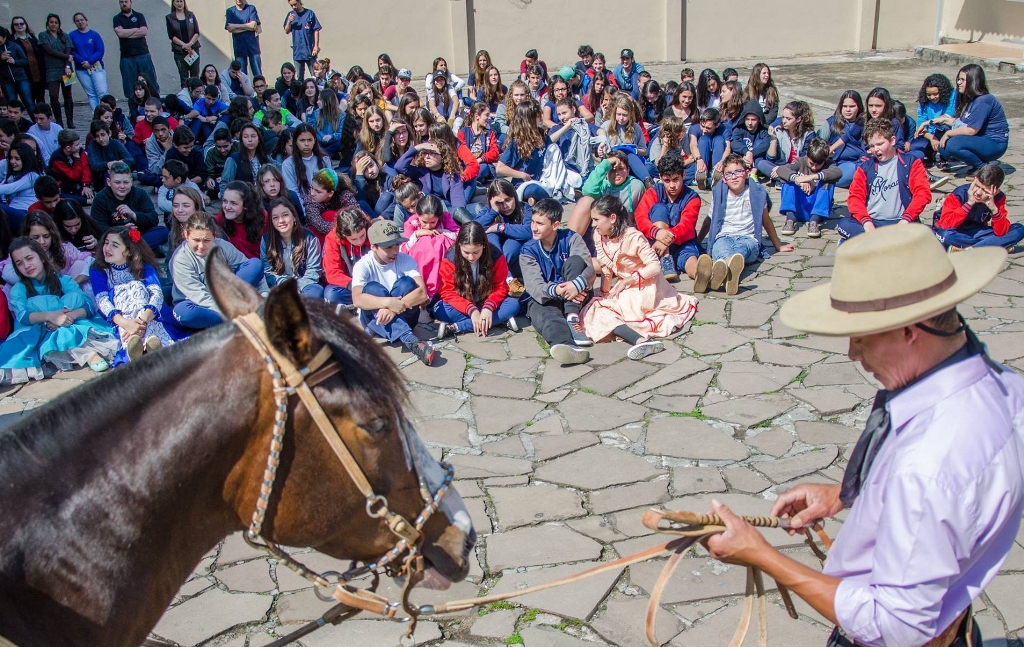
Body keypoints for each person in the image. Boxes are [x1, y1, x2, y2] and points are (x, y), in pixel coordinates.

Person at [708, 223, 1024, 647]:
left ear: (910, 331)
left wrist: (762, 555)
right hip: (956, 625)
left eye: (860, 338)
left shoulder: (926, 466)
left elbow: (894, 625)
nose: (853, 353)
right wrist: (851, 492)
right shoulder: (1005, 389)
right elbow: (959, 500)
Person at [582, 195, 696, 359]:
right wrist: (604, 292)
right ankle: (640, 341)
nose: (593, 224)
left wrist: (629, 280)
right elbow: (606, 267)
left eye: (596, 220)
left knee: (613, 311)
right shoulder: (599, 236)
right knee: (597, 307)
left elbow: (655, 266)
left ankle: (640, 340)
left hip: (646, 285)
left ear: (612, 218)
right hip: (624, 285)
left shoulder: (633, 237)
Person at [0, 237, 116, 382]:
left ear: (41, 257)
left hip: (66, 322)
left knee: (72, 305)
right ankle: (88, 354)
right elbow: (22, 315)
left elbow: (88, 305)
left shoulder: (62, 280)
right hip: (37, 329)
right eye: (19, 263)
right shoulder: (19, 289)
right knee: (40, 310)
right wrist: (50, 316)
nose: (26, 265)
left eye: (29, 258)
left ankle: (89, 353)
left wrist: (68, 317)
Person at [695, 154, 794, 295]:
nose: (734, 177)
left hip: (748, 238)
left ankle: (717, 273)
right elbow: (709, 219)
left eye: (738, 172)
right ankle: (729, 276)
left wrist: (778, 245)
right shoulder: (719, 194)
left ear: (747, 174)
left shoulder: (757, 193)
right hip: (724, 236)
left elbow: (766, 220)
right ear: (723, 178)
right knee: (720, 249)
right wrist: (698, 241)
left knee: (740, 251)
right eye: (729, 174)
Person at [350, 219, 436, 366]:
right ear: (374, 247)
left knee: (406, 283)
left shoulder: (406, 260)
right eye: (388, 247)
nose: (395, 251)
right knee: (372, 288)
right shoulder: (363, 265)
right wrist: (387, 303)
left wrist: (394, 308)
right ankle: (410, 340)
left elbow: (422, 293)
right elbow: (357, 299)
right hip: (372, 315)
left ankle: (372, 331)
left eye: (397, 244)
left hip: (404, 314)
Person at [520, 198, 594, 365]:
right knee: (547, 316)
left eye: (539, 223)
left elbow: (589, 269)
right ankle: (567, 346)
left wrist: (577, 284)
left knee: (576, 261)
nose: (533, 227)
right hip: (547, 297)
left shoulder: (571, 238)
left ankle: (572, 317)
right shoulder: (528, 250)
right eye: (532, 222)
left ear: (555, 225)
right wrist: (556, 290)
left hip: (576, 295)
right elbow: (534, 286)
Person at [90, 226, 175, 363]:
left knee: (137, 288)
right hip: (121, 317)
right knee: (122, 292)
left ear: (128, 251)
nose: (107, 248)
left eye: (115, 245)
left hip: (148, 316)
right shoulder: (98, 270)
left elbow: (156, 293)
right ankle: (135, 345)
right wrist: (125, 323)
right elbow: (102, 300)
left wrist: (141, 322)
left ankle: (150, 343)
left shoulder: (144, 267)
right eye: (106, 243)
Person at [838, 118, 932, 241]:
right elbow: (855, 198)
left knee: (926, 236)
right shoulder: (865, 168)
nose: (876, 149)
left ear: (893, 140)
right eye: (871, 146)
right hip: (873, 222)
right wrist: (867, 223)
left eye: (880, 144)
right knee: (843, 224)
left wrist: (906, 220)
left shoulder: (911, 163)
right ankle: (881, 243)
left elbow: (923, 194)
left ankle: (877, 244)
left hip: (901, 221)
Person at [170, 211, 264, 329]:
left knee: (255, 264)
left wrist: (264, 294)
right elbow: (198, 296)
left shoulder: (222, 246)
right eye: (196, 240)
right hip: (199, 303)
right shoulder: (179, 259)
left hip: (228, 295)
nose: (201, 246)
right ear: (186, 235)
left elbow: (248, 268)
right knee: (185, 314)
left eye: (207, 240)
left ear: (214, 236)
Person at [434, 221, 519, 339]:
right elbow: (447, 292)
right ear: (459, 245)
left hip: (486, 301)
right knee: (440, 310)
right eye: (466, 252)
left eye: (476, 252)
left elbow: (501, 286)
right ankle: (495, 321)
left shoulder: (495, 255)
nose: (471, 257)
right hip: (463, 304)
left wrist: (489, 307)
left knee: (513, 305)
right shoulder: (450, 257)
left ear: (483, 245)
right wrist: (472, 310)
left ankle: (457, 327)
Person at [633, 153, 701, 283]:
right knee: (659, 208)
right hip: (655, 243)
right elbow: (640, 216)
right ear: (660, 178)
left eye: (676, 179)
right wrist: (657, 233)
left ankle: (702, 276)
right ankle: (665, 259)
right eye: (667, 181)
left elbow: (686, 226)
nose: (672, 185)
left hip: (682, 242)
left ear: (684, 175)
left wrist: (665, 240)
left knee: (690, 260)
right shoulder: (653, 192)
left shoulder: (693, 198)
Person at [930, 64, 1009, 175]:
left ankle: (982, 168)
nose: (958, 82)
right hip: (980, 138)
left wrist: (948, 133)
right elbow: (963, 123)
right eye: (958, 79)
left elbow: (971, 130)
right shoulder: (971, 99)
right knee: (944, 148)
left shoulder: (984, 100)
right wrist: (942, 121)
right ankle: (977, 163)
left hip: (995, 143)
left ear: (973, 81)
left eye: (962, 80)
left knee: (953, 144)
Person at [932, 163, 1023, 251]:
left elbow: (1001, 232)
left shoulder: (998, 198)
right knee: (946, 236)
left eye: (984, 190)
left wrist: (994, 209)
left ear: (996, 191)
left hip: (976, 231)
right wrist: (969, 203)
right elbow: (946, 225)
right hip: (955, 232)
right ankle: (992, 245)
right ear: (975, 179)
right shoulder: (959, 194)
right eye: (977, 186)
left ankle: (971, 249)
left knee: (1019, 229)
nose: (978, 192)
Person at [91, 162, 169, 251]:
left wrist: (134, 214)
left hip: (139, 235)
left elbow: (154, 219)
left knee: (163, 232)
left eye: (126, 182)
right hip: (115, 237)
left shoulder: (140, 193)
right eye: (117, 182)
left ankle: (131, 250)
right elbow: (98, 227)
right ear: (109, 182)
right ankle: (141, 250)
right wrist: (122, 231)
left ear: (131, 181)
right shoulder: (101, 198)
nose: (122, 186)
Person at [776, 138, 842, 239]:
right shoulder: (800, 161)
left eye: (818, 164)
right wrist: (798, 179)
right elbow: (782, 170)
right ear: (807, 156)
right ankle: (790, 219)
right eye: (812, 163)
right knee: (787, 180)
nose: (814, 167)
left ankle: (814, 222)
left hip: (816, 209)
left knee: (828, 182)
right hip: (798, 208)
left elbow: (838, 173)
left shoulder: (829, 165)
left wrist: (812, 177)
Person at [260, 197, 323, 298]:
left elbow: (314, 270)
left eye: (285, 215)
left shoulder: (309, 238)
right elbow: (267, 271)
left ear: (294, 217)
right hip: (279, 286)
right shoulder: (266, 240)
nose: (281, 220)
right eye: (275, 217)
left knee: (315, 292)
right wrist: (286, 286)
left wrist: (297, 286)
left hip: (305, 285)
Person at [400, 194, 458, 299]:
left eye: (433, 222)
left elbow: (458, 235)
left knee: (440, 240)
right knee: (426, 240)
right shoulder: (411, 223)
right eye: (424, 222)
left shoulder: (445, 217)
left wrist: (442, 231)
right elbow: (404, 248)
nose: (428, 226)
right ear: (418, 215)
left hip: (442, 257)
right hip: (422, 260)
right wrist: (417, 234)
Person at [756, 101, 815, 188]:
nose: (784, 121)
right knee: (761, 163)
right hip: (781, 166)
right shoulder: (779, 130)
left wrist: (783, 170)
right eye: (783, 117)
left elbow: (805, 159)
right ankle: (788, 179)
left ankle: (784, 178)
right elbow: (771, 158)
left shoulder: (808, 135)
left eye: (788, 118)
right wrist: (774, 139)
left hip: (799, 169)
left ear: (798, 119)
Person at [322, 207, 371, 307]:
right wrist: (355, 286)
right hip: (350, 286)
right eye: (353, 239)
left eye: (362, 236)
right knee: (331, 294)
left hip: (373, 283)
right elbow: (332, 272)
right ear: (343, 235)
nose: (359, 242)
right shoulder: (332, 238)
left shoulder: (373, 231)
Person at [113, 0, 160, 101]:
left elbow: (144, 31)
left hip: (143, 54)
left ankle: (155, 106)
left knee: (150, 82)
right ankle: (134, 110)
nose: (124, 4)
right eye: (121, 2)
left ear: (131, 2)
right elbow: (120, 34)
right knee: (130, 86)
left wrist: (126, 32)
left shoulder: (139, 16)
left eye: (126, 1)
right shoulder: (117, 18)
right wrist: (135, 29)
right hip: (127, 57)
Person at [820, 90, 866, 189]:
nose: (848, 110)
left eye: (852, 106)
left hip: (855, 163)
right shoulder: (831, 122)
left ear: (859, 107)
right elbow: (817, 143)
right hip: (832, 163)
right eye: (845, 106)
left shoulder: (863, 125)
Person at [36, 14, 75, 129]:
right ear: (48, 24)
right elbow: (50, 51)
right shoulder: (43, 35)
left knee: (68, 95)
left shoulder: (65, 36)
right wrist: (66, 57)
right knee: (53, 95)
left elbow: (69, 51)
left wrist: (67, 65)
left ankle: (70, 120)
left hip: (66, 68)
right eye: (51, 22)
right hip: (51, 69)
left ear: (59, 24)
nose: (53, 24)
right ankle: (59, 120)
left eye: (56, 22)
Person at [911, 73, 956, 165]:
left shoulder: (952, 96)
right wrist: (932, 138)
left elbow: (947, 116)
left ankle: (945, 155)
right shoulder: (923, 101)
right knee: (915, 147)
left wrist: (927, 123)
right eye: (929, 95)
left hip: (945, 131)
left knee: (944, 126)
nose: (932, 97)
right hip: (929, 135)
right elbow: (921, 125)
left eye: (935, 94)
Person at [66, 14, 107, 112]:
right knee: (91, 94)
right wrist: (81, 61)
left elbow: (100, 50)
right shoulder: (72, 35)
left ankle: (106, 114)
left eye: (82, 19)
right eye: (77, 21)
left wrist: (91, 61)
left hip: (96, 67)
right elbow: (71, 51)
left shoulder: (94, 35)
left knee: (102, 93)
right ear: (75, 23)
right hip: (81, 69)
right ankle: (96, 115)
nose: (80, 22)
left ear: (86, 20)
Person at [216, 180, 266, 259]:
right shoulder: (219, 219)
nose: (227, 207)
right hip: (230, 267)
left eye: (233, 203)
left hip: (257, 265)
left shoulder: (262, 217)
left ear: (245, 205)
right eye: (225, 201)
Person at [282, 123, 330, 203]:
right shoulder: (288, 164)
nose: (306, 144)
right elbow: (293, 193)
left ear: (314, 140)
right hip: (302, 206)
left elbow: (329, 187)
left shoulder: (324, 159)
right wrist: (306, 211)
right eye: (302, 140)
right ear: (296, 142)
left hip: (324, 203)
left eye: (309, 140)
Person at [0, 141, 41, 229]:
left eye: (17, 159)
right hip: (12, 210)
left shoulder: (32, 176)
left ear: (26, 159)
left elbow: (10, 189)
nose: (12, 161)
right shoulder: (11, 176)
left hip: (25, 214)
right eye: (11, 158)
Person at [48, 130, 94, 205]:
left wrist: (86, 184)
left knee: (88, 194)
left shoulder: (79, 150)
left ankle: (84, 199)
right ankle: (86, 202)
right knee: (61, 197)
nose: (80, 146)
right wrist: (77, 160)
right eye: (77, 144)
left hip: (76, 185)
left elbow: (85, 167)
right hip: (64, 187)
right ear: (68, 148)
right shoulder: (57, 159)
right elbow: (74, 176)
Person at [86, 119, 132, 191]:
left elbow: (130, 160)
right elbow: (94, 165)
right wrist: (107, 164)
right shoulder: (92, 146)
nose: (101, 139)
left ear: (109, 133)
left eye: (103, 135)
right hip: (100, 179)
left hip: (118, 174)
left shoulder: (116, 143)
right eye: (97, 136)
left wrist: (120, 162)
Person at [165, 0, 200, 88]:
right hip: (179, 52)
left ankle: (196, 96)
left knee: (195, 75)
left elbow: (197, 32)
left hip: (193, 50)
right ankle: (185, 97)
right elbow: (171, 36)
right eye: (177, 1)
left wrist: (190, 44)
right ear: (173, 3)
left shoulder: (190, 15)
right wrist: (184, 45)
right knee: (184, 77)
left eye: (181, 1)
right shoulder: (170, 17)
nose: (179, 4)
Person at [730, 100, 771, 175]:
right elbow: (734, 142)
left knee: (760, 143)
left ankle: (753, 171)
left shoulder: (763, 130)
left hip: (756, 158)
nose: (750, 123)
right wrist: (747, 152)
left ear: (759, 120)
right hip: (743, 157)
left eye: (753, 120)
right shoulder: (739, 128)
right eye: (747, 119)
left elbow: (766, 143)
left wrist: (752, 153)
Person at [283, 0, 320, 81]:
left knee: (315, 75)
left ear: (299, 2)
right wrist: (289, 21)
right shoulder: (291, 15)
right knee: (299, 78)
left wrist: (316, 46)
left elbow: (316, 30)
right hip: (297, 52)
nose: (293, 7)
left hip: (309, 50)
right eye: (291, 5)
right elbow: (286, 31)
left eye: (295, 4)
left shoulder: (309, 13)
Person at [225, 0, 262, 77]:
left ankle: (260, 88)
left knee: (258, 74)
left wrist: (235, 26)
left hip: (253, 47)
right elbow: (230, 29)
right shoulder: (230, 11)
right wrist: (248, 27)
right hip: (239, 48)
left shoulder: (251, 8)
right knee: (241, 75)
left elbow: (254, 26)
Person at [0, 28, 33, 110]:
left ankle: (35, 122)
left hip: (21, 78)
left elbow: (25, 60)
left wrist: (14, 61)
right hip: (6, 80)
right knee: (12, 104)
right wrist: (1, 59)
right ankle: (14, 122)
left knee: (29, 102)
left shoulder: (14, 45)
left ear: (4, 37)